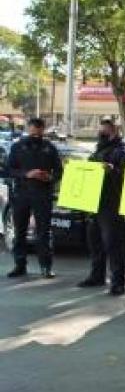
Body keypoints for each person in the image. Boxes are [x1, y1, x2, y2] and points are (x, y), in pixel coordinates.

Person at [78, 119, 125, 295]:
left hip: (111, 203)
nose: (101, 134)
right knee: (94, 241)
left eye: (105, 132)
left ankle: (118, 282)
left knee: (113, 244)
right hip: (94, 202)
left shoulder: (122, 151)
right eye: (100, 131)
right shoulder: (97, 151)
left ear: (114, 133)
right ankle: (97, 276)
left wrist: (113, 170)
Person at [5, 117, 63, 279]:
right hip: (22, 194)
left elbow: (59, 171)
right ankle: (19, 265)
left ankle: (45, 267)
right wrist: (26, 174)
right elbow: (8, 170)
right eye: (33, 131)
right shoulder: (17, 147)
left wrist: (49, 177)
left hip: (42, 194)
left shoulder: (50, 148)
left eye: (39, 132)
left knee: (43, 232)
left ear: (43, 131)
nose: (36, 135)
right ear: (28, 129)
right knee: (20, 231)